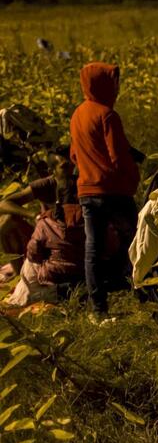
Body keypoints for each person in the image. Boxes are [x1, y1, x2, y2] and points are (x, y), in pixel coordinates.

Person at [70, 62, 140, 321]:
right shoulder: (107, 115)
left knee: (93, 249)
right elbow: (118, 158)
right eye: (114, 82)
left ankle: (98, 308)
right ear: (103, 84)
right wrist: (133, 176)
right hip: (113, 191)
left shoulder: (78, 114)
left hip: (87, 192)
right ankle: (145, 294)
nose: (117, 88)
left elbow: (74, 155)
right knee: (138, 241)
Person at [0, 147, 76, 279]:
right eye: (64, 166)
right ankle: (20, 275)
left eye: (71, 164)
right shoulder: (45, 184)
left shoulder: (79, 182)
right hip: (44, 239)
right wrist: (33, 215)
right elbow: (4, 204)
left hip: (70, 240)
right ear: (52, 171)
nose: (69, 169)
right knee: (6, 221)